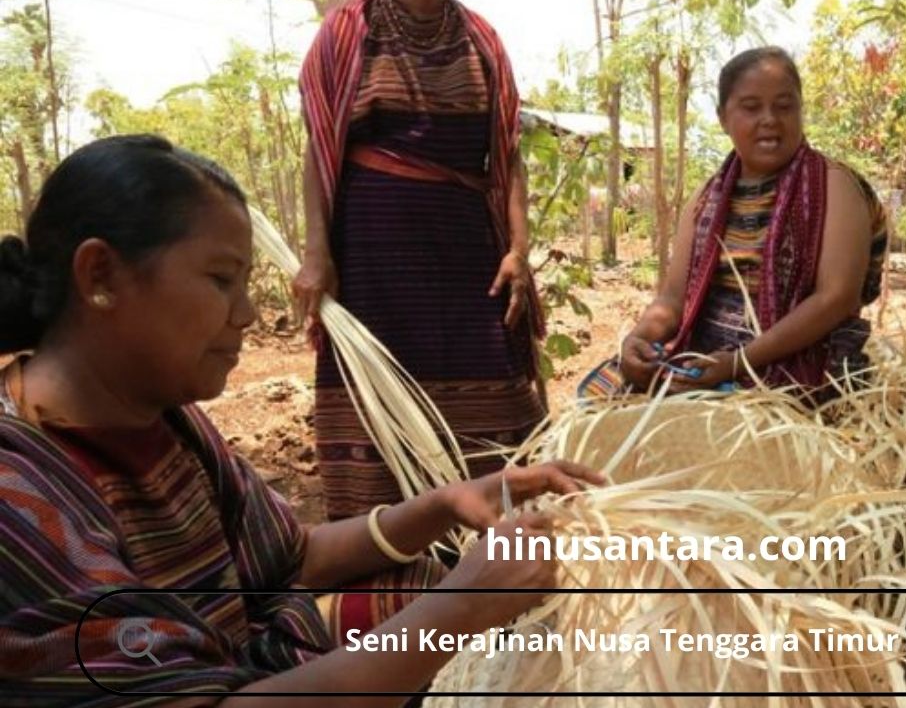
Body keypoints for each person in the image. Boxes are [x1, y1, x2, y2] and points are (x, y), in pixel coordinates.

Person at [0, 135, 602, 704]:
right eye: (220, 280)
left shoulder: (164, 419)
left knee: (427, 583)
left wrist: (442, 506)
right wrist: (463, 606)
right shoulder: (19, 495)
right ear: (100, 276)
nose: (247, 314)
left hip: (241, 663)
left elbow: (290, 560)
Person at [293, 0, 545, 521]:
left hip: (466, 258)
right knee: (374, 412)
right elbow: (318, 147)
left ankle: (497, 564)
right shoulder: (347, 32)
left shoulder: (481, 38)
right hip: (371, 260)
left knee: (497, 416)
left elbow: (505, 156)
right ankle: (382, 575)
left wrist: (518, 250)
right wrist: (316, 251)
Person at [580, 47, 887, 401]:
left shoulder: (835, 186)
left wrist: (739, 363)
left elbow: (836, 298)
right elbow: (673, 299)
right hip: (707, 363)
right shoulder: (705, 200)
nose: (770, 119)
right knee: (601, 408)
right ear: (723, 118)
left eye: (785, 106)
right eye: (751, 107)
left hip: (800, 370)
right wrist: (639, 340)